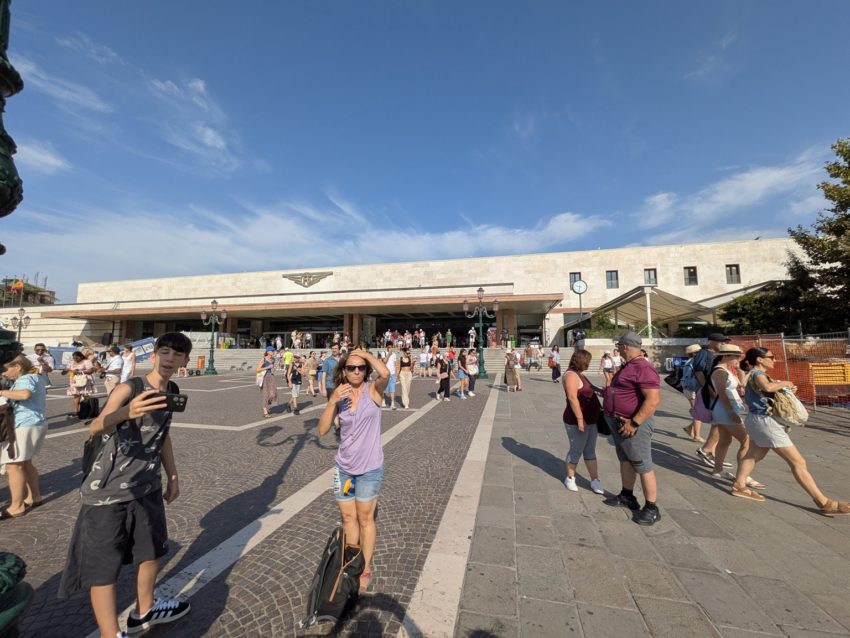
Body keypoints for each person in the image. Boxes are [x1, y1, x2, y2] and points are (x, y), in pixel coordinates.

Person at [59, 333, 192, 637]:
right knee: (104, 566)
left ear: (184, 360)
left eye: (177, 354)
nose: (169, 358)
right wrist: (126, 412)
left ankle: (144, 611)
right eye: (165, 351)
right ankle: (110, 634)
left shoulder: (172, 390)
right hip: (108, 490)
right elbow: (95, 427)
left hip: (147, 486)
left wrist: (172, 475)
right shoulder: (129, 388)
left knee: (152, 551)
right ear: (153, 355)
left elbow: (163, 434)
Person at [731, 348, 850, 515]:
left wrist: (784, 388)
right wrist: (785, 383)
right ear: (759, 359)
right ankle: (823, 502)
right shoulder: (758, 373)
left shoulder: (753, 373)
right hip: (766, 422)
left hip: (757, 419)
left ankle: (739, 485)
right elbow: (767, 387)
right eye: (771, 357)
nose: (774, 360)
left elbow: (767, 392)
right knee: (798, 462)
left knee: (753, 454)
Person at [318, 348, 389, 596]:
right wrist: (333, 401)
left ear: (366, 370)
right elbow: (322, 430)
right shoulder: (340, 394)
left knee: (365, 518)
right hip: (344, 468)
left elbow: (385, 373)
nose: (356, 371)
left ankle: (365, 568)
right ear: (344, 371)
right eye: (351, 367)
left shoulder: (374, 390)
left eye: (360, 367)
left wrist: (365, 355)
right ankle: (351, 564)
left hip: (369, 468)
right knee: (348, 518)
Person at [602, 332, 662, 526]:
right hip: (620, 423)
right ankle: (627, 495)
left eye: (619, 346)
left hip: (634, 425)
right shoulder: (629, 366)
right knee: (626, 459)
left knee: (642, 464)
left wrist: (635, 422)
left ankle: (651, 507)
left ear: (625, 346)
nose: (618, 349)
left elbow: (653, 400)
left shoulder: (643, 368)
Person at [708, 344, 765, 489]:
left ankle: (718, 469)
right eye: (736, 356)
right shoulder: (720, 372)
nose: (738, 359)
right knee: (746, 440)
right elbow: (722, 394)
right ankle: (743, 475)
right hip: (725, 410)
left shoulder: (725, 370)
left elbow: (741, 384)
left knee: (725, 440)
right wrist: (731, 412)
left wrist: (739, 370)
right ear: (727, 356)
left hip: (725, 410)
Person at [0, 355, 48, 518]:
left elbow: (25, 394)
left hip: (24, 425)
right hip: (34, 423)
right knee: (26, 463)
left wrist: (2, 392)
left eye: (5, 369)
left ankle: (17, 506)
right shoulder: (35, 377)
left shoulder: (25, 379)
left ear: (18, 367)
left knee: (13, 466)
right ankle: (34, 497)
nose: (3, 373)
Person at [562, 349, 604, 495]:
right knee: (576, 449)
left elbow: (587, 389)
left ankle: (595, 479)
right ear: (582, 361)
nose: (589, 364)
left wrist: (599, 391)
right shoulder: (571, 375)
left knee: (590, 450)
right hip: (576, 420)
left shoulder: (580, 374)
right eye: (588, 361)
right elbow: (572, 398)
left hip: (591, 420)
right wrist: (580, 419)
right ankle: (570, 477)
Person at [694, 333, 732, 469]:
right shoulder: (704, 353)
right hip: (711, 391)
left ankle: (710, 451)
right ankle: (706, 450)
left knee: (719, 422)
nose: (723, 344)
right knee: (719, 421)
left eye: (724, 341)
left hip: (717, 390)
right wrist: (708, 387)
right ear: (710, 341)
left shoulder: (716, 354)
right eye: (720, 341)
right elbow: (698, 371)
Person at [680, 344, 704, 442]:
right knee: (698, 412)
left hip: (689, 389)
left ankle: (690, 428)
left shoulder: (689, 361)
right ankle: (696, 436)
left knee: (697, 411)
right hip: (692, 389)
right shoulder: (695, 362)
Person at [62, 351, 95, 417]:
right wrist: (65, 371)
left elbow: (91, 371)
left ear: (81, 357)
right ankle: (76, 412)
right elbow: (63, 373)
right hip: (74, 381)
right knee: (76, 396)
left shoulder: (86, 362)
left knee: (86, 396)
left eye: (77, 358)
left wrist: (79, 372)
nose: (75, 359)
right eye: (74, 358)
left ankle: (88, 411)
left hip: (84, 381)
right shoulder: (71, 362)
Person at [256, 347, 277, 418]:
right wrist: (268, 367)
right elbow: (257, 369)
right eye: (272, 351)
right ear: (268, 352)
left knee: (273, 394)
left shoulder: (273, 359)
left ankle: (265, 406)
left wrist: (273, 368)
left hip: (271, 376)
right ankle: (265, 411)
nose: (273, 352)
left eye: (273, 351)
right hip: (264, 377)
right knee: (265, 394)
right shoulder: (263, 359)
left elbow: (272, 368)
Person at [383, 343, 398, 409]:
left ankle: (392, 403)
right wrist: (389, 354)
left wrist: (396, 374)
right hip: (385, 373)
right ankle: (383, 400)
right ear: (386, 347)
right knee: (384, 389)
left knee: (392, 389)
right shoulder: (383, 353)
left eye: (391, 347)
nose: (390, 348)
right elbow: (384, 361)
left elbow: (395, 364)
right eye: (389, 347)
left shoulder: (394, 354)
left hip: (392, 374)